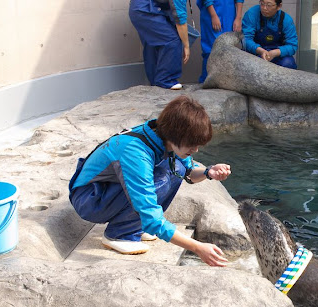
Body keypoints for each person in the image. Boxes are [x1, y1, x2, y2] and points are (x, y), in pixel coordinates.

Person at [69, 96, 231, 265]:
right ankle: (119, 234)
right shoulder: (136, 151)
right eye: (191, 144)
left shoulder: (161, 135)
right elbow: (150, 214)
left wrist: (208, 172)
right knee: (162, 179)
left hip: (108, 190)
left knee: (177, 169)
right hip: (90, 199)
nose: (196, 149)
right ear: (175, 135)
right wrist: (197, 247)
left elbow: (188, 173)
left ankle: (133, 226)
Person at [129, 0, 191, 90]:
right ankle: (166, 80)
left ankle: (155, 82)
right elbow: (180, 19)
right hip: (146, 10)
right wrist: (186, 45)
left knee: (152, 44)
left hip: (139, 9)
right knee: (172, 40)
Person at [242, 0, 298, 69]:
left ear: (279, 6)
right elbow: (246, 39)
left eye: (269, 5)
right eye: (262, 4)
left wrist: (275, 53)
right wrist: (260, 51)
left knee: (288, 63)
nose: (264, 8)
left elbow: (293, 46)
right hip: (257, 52)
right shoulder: (252, 13)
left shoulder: (286, 20)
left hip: (277, 54)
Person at [197, 0, 244, 83]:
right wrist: (213, 15)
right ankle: (206, 80)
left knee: (229, 48)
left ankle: (224, 81)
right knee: (210, 49)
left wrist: (238, 17)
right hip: (211, 12)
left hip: (229, 12)